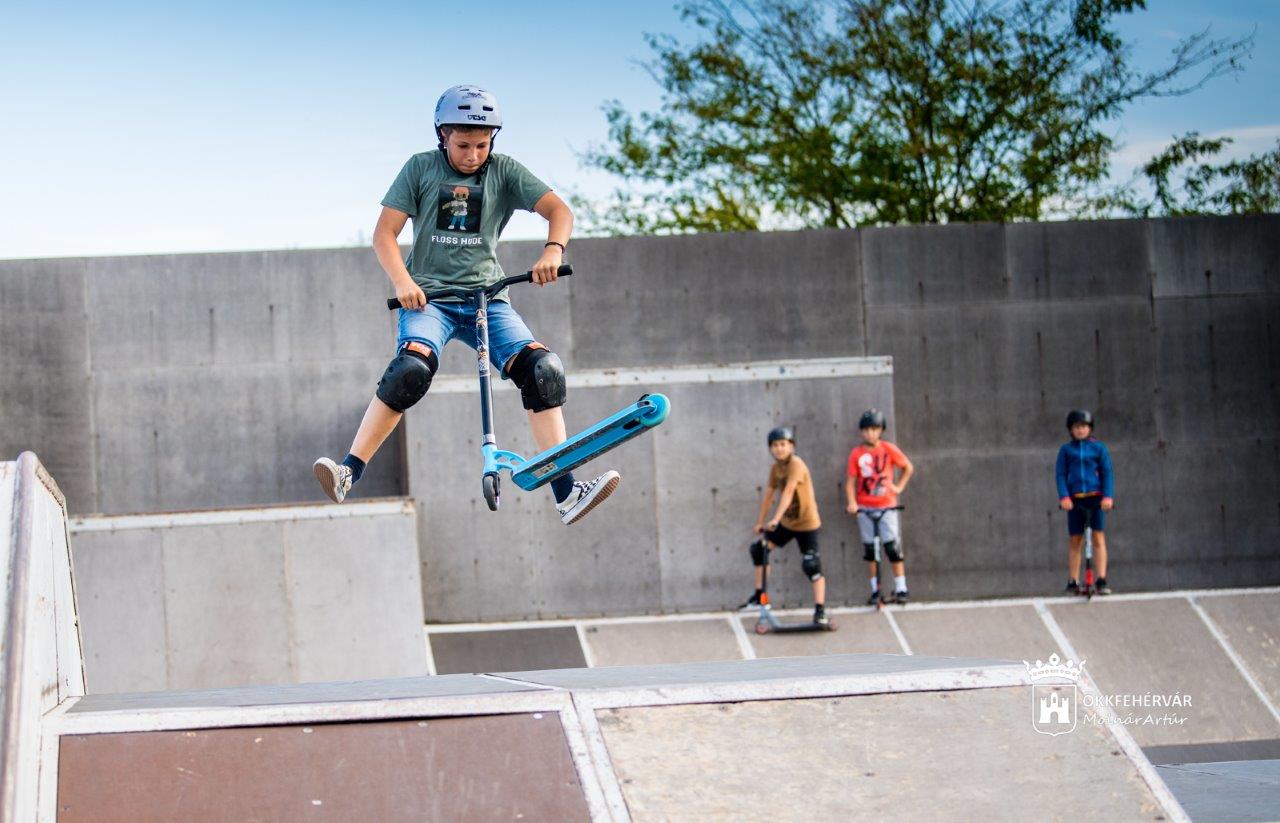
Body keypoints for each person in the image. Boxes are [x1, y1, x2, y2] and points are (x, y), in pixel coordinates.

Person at [313, 85, 618, 525]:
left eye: (482, 144)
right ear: (442, 136)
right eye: (463, 145)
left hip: (488, 299)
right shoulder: (420, 168)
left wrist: (554, 250)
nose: (473, 154)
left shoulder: (505, 171)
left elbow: (559, 210)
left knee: (542, 371)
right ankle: (348, 471)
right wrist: (403, 281)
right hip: (430, 301)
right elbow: (384, 234)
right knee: (410, 372)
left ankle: (567, 494)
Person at [742, 426, 828, 627]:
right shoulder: (776, 469)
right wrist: (760, 521)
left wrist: (775, 519)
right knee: (759, 550)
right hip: (788, 524)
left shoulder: (796, 464)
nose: (779, 449)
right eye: (775, 445)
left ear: (791, 446)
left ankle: (820, 610)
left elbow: (788, 492)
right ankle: (759, 596)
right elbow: (769, 495)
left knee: (812, 565)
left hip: (807, 524)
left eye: (783, 444)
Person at [845, 409, 914, 604]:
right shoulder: (856, 454)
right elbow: (851, 481)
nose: (870, 434)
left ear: (881, 430)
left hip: (887, 507)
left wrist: (898, 487)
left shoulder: (888, 449)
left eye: (875, 429)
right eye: (866, 430)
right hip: (865, 508)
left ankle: (901, 588)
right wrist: (852, 503)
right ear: (861, 432)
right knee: (871, 551)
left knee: (892, 547)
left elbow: (908, 467)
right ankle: (875, 590)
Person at [1056, 409, 1114, 594]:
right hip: (1075, 500)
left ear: (1090, 429)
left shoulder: (1099, 448)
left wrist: (1107, 496)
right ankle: (1073, 580)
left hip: (1095, 499)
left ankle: (1102, 579)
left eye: (1083, 427)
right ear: (1071, 430)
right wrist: (1064, 496)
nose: (1080, 430)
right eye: (1076, 427)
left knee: (1098, 537)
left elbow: (1107, 473)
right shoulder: (1066, 450)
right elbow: (1060, 474)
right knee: (1075, 540)